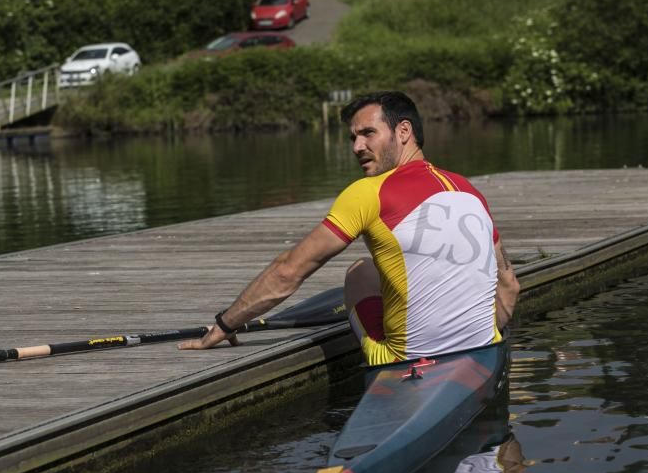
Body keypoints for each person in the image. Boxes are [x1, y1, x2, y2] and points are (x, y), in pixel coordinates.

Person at [179, 91, 519, 362]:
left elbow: (288, 272)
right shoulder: (468, 189)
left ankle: (399, 355)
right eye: (354, 137)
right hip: (482, 348)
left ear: (403, 131)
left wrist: (224, 325)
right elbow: (509, 287)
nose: (357, 147)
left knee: (359, 272)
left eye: (368, 133)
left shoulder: (367, 193)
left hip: (407, 359)